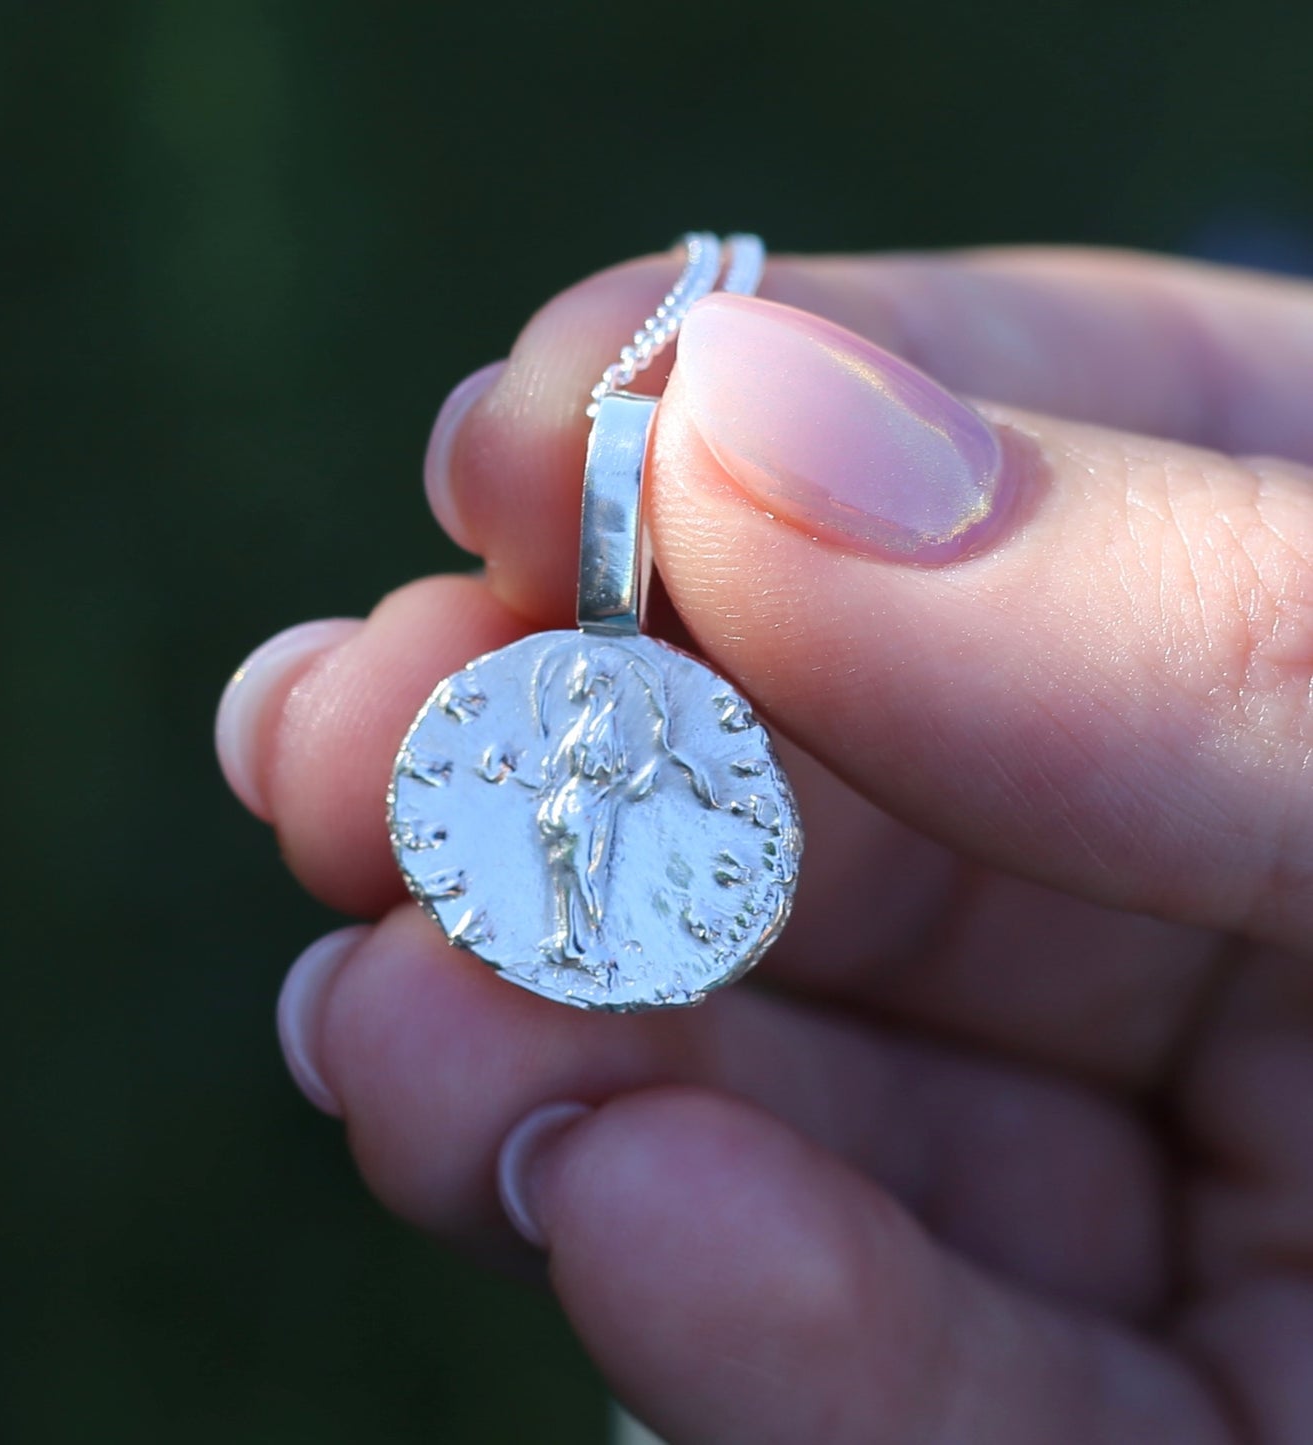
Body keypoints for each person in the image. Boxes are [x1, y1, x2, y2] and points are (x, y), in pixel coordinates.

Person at [214, 246, 1313, 1444]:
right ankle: (580, 936)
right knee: (544, 955)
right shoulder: (585, 698)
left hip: (604, 807)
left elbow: (650, 763)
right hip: (564, 814)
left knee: (557, 1027)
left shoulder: (628, 716)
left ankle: (583, 935)